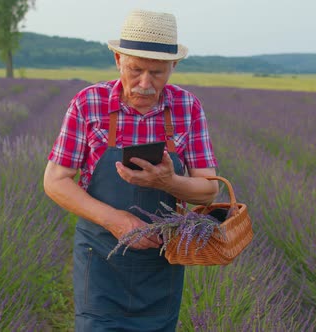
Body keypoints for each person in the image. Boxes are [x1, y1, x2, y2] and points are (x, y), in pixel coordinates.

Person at [43, 9, 219, 331]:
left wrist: (171, 181)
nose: (145, 84)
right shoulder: (88, 103)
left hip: (161, 263)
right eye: (135, 69)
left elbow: (209, 189)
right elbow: (56, 181)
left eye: (157, 73)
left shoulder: (187, 107)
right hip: (101, 259)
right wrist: (117, 220)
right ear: (118, 59)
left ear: (173, 66)